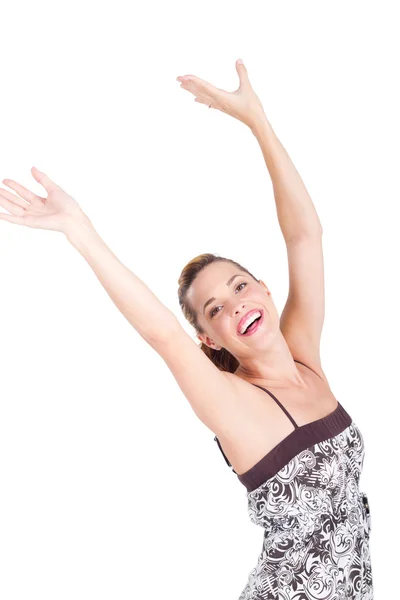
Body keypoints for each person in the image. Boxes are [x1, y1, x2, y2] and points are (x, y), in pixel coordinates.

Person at [0, 59, 373, 599]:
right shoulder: (233, 404)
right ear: (210, 340)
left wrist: (258, 123)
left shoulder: (305, 358)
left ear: (264, 290)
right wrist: (79, 231)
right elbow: (163, 335)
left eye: (240, 286)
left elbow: (305, 237)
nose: (235, 304)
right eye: (215, 309)